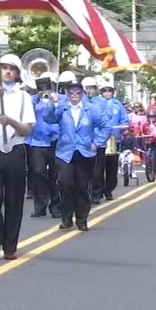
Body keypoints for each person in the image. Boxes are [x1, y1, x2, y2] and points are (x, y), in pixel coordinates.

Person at [0, 55, 36, 260]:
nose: (8, 71)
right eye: (4, 68)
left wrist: (10, 121)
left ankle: (10, 245)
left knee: (14, 200)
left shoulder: (24, 97)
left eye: (12, 68)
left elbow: (27, 129)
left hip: (16, 147)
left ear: (18, 73)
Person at [44, 74, 110, 232]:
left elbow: (106, 126)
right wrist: (52, 104)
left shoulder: (91, 109)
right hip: (65, 152)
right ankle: (66, 218)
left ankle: (82, 219)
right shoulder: (62, 107)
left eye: (77, 93)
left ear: (83, 93)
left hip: (85, 152)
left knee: (81, 186)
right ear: (67, 93)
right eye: (71, 92)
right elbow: (49, 118)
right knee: (65, 183)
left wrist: (97, 143)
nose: (74, 96)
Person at [27, 79, 61, 219]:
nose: (45, 90)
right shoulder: (33, 100)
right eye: (41, 87)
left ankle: (56, 207)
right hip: (37, 142)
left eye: (47, 87)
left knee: (55, 176)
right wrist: (37, 97)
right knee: (38, 174)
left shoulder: (59, 98)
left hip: (54, 141)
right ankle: (40, 207)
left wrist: (55, 101)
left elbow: (61, 113)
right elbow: (27, 111)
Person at [91, 79, 128, 203]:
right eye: (104, 90)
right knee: (98, 168)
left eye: (109, 90)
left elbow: (124, 120)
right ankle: (97, 192)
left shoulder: (118, 104)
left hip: (114, 139)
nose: (107, 93)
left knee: (112, 168)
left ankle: (109, 189)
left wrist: (124, 126)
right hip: (100, 139)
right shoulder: (95, 103)